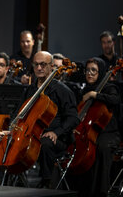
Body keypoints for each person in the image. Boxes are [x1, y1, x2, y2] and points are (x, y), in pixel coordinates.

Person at [21, 51, 79, 188]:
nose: (39, 68)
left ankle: (47, 183)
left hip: (58, 139)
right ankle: (9, 181)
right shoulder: (29, 91)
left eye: (43, 64)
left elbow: (73, 118)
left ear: (52, 67)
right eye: (36, 65)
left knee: (45, 143)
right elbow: (19, 114)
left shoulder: (62, 91)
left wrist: (56, 132)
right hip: (33, 135)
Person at [69, 57, 121, 197]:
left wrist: (95, 95)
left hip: (108, 132)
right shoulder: (85, 89)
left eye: (94, 70)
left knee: (102, 148)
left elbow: (115, 100)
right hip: (88, 131)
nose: (89, 73)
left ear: (101, 73)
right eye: (87, 70)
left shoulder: (110, 88)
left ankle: (101, 191)